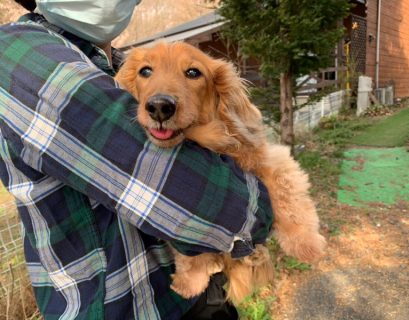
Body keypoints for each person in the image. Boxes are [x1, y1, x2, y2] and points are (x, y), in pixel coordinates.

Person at [0, 1, 273, 319]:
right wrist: (258, 199)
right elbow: (225, 212)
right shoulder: (17, 56)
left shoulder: (122, 68)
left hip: (198, 297)